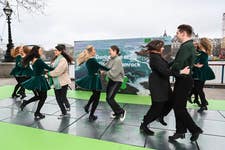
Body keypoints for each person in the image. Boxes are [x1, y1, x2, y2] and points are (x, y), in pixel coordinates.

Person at [139, 40, 190, 135]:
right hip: (157, 85)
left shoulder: (158, 56)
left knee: (171, 102)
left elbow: (166, 66)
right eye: (161, 47)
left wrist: (176, 61)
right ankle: (144, 124)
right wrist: (181, 72)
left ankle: (160, 116)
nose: (163, 48)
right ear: (157, 48)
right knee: (156, 107)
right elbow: (165, 71)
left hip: (163, 84)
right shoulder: (154, 58)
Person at [169, 24, 203, 142]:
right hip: (184, 79)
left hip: (183, 80)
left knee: (179, 108)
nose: (176, 35)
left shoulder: (186, 47)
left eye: (177, 33)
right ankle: (180, 131)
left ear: (183, 33)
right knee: (178, 106)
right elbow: (177, 62)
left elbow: (177, 65)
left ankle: (194, 129)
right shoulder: (189, 46)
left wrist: (172, 71)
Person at [76, 45, 109, 121]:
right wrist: (110, 68)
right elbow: (100, 66)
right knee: (96, 97)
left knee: (95, 95)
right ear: (91, 52)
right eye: (94, 50)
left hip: (93, 78)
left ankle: (87, 107)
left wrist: (99, 71)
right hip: (94, 79)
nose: (95, 51)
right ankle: (91, 114)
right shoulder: (92, 60)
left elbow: (94, 69)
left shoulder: (89, 60)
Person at [20, 46, 54, 120]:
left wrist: (44, 71)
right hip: (40, 80)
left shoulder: (33, 59)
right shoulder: (39, 60)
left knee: (40, 96)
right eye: (40, 50)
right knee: (43, 97)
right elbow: (49, 68)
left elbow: (39, 69)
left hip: (36, 79)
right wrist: (56, 67)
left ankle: (26, 103)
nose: (41, 51)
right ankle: (37, 112)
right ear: (37, 51)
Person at [48, 44, 73, 119]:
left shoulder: (63, 60)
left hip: (63, 82)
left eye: (56, 50)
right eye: (54, 50)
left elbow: (58, 71)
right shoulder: (56, 59)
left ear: (60, 51)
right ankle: (64, 111)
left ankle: (66, 107)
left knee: (62, 97)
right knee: (58, 98)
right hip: (56, 82)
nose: (54, 51)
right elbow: (52, 68)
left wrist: (48, 74)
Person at [191, 38, 215, 112]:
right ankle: (199, 101)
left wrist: (192, 64)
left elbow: (200, 65)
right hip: (200, 73)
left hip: (201, 73)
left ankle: (204, 104)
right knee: (197, 88)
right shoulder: (201, 52)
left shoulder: (203, 54)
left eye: (199, 42)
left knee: (199, 89)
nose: (198, 43)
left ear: (202, 44)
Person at [104, 45, 126, 121]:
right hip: (111, 80)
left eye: (110, 50)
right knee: (108, 98)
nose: (109, 52)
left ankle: (122, 111)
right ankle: (117, 112)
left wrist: (104, 72)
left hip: (117, 81)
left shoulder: (118, 60)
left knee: (109, 98)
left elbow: (114, 73)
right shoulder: (111, 59)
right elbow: (105, 67)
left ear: (115, 51)